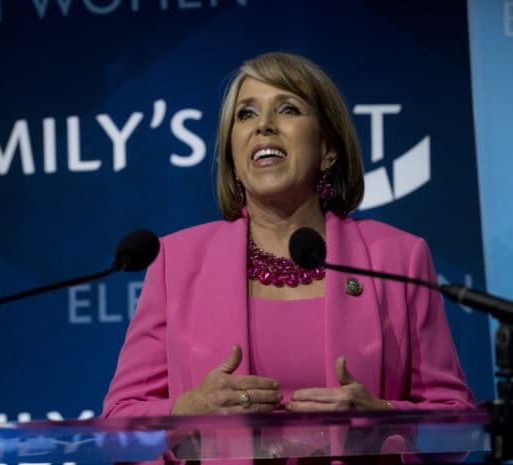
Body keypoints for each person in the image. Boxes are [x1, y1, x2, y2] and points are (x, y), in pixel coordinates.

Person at [101, 52, 474, 423]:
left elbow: (455, 420)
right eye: (246, 114)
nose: (263, 125)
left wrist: (382, 417)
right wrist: (187, 411)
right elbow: (119, 421)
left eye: (288, 109)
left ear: (328, 148)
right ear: (232, 156)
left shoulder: (396, 257)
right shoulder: (176, 262)